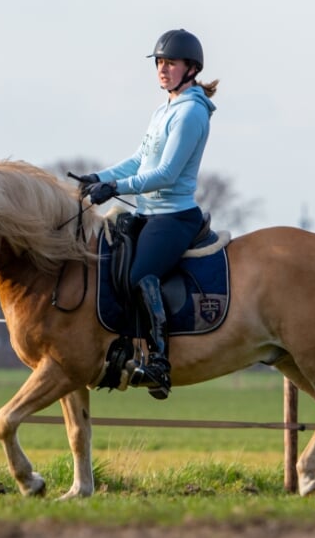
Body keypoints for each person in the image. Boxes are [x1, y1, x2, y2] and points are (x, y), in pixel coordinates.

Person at [77, 28, 219, 400]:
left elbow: (166, 174)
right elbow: (140, 160)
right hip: (148, 213)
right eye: (159, 62)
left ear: (191, 68)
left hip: (174, 217)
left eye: (170, 62)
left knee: (141, 275)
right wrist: (101, 177)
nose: (162, 68)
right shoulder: (164, 110)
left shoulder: (190, 113)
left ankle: (159, 362)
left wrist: (116, 189)